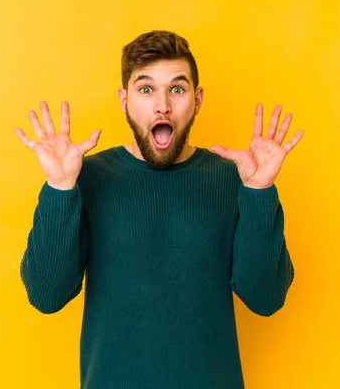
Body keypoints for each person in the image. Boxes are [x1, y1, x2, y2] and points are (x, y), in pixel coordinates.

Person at [15, 30, 304, 389]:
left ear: (197, 100)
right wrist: (59, 189)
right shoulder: (86, 178)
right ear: (124, 100)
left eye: (177, 89)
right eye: (146, 89)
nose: (162, 105)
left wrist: (259, 192)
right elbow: (46, 295)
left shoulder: (235, 179)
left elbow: (266, 298)